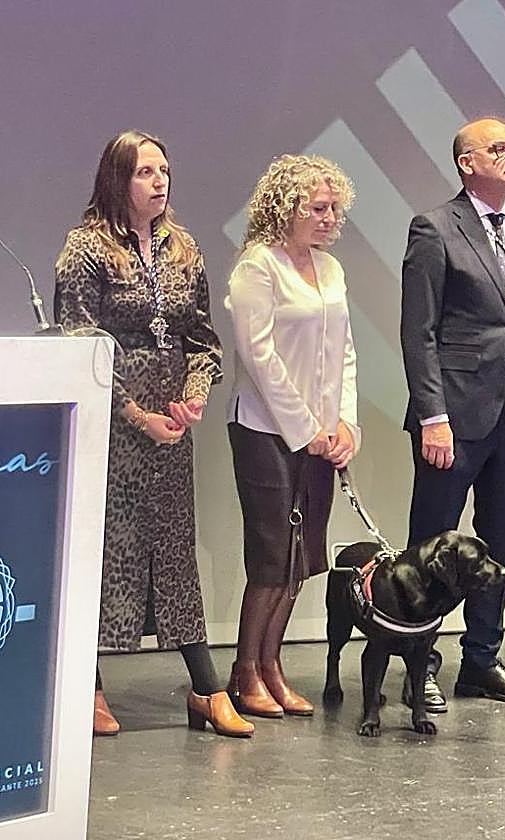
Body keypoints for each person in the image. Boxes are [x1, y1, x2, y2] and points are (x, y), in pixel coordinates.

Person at [54, 130, 252, 737]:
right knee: (104, 548)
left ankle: (206, 688)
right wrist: (137, 414)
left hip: (172, 429)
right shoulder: (85, 249)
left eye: (163, 170)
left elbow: (203, 339)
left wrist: (195, 394)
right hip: (112, 428)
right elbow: (79, 343)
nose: (159, 181)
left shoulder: (183, 249)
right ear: (117, 179)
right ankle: (86, 685)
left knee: (173, 551)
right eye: (145, 172)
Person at [400, 118, 505, 709]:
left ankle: (482, 661)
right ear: (467, 163)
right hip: (455, 416)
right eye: (499, 149)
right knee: (432, 549)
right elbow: (419, 332)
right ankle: (420, 666)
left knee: (499, 547)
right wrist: (432, 416)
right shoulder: (435, 228)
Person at [225, 154, 360, 718]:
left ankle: (271, 663)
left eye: (335, 209)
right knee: (271, 554)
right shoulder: (258, 266)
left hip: (322, 437)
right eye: (318, 208)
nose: (330, 219)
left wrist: (345, 423)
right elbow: (259, 358)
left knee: (302, 556)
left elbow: (344, 352)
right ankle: (245, 670)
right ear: (285, 209)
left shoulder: (330, 269)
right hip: (266, 431)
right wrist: (306, 430)